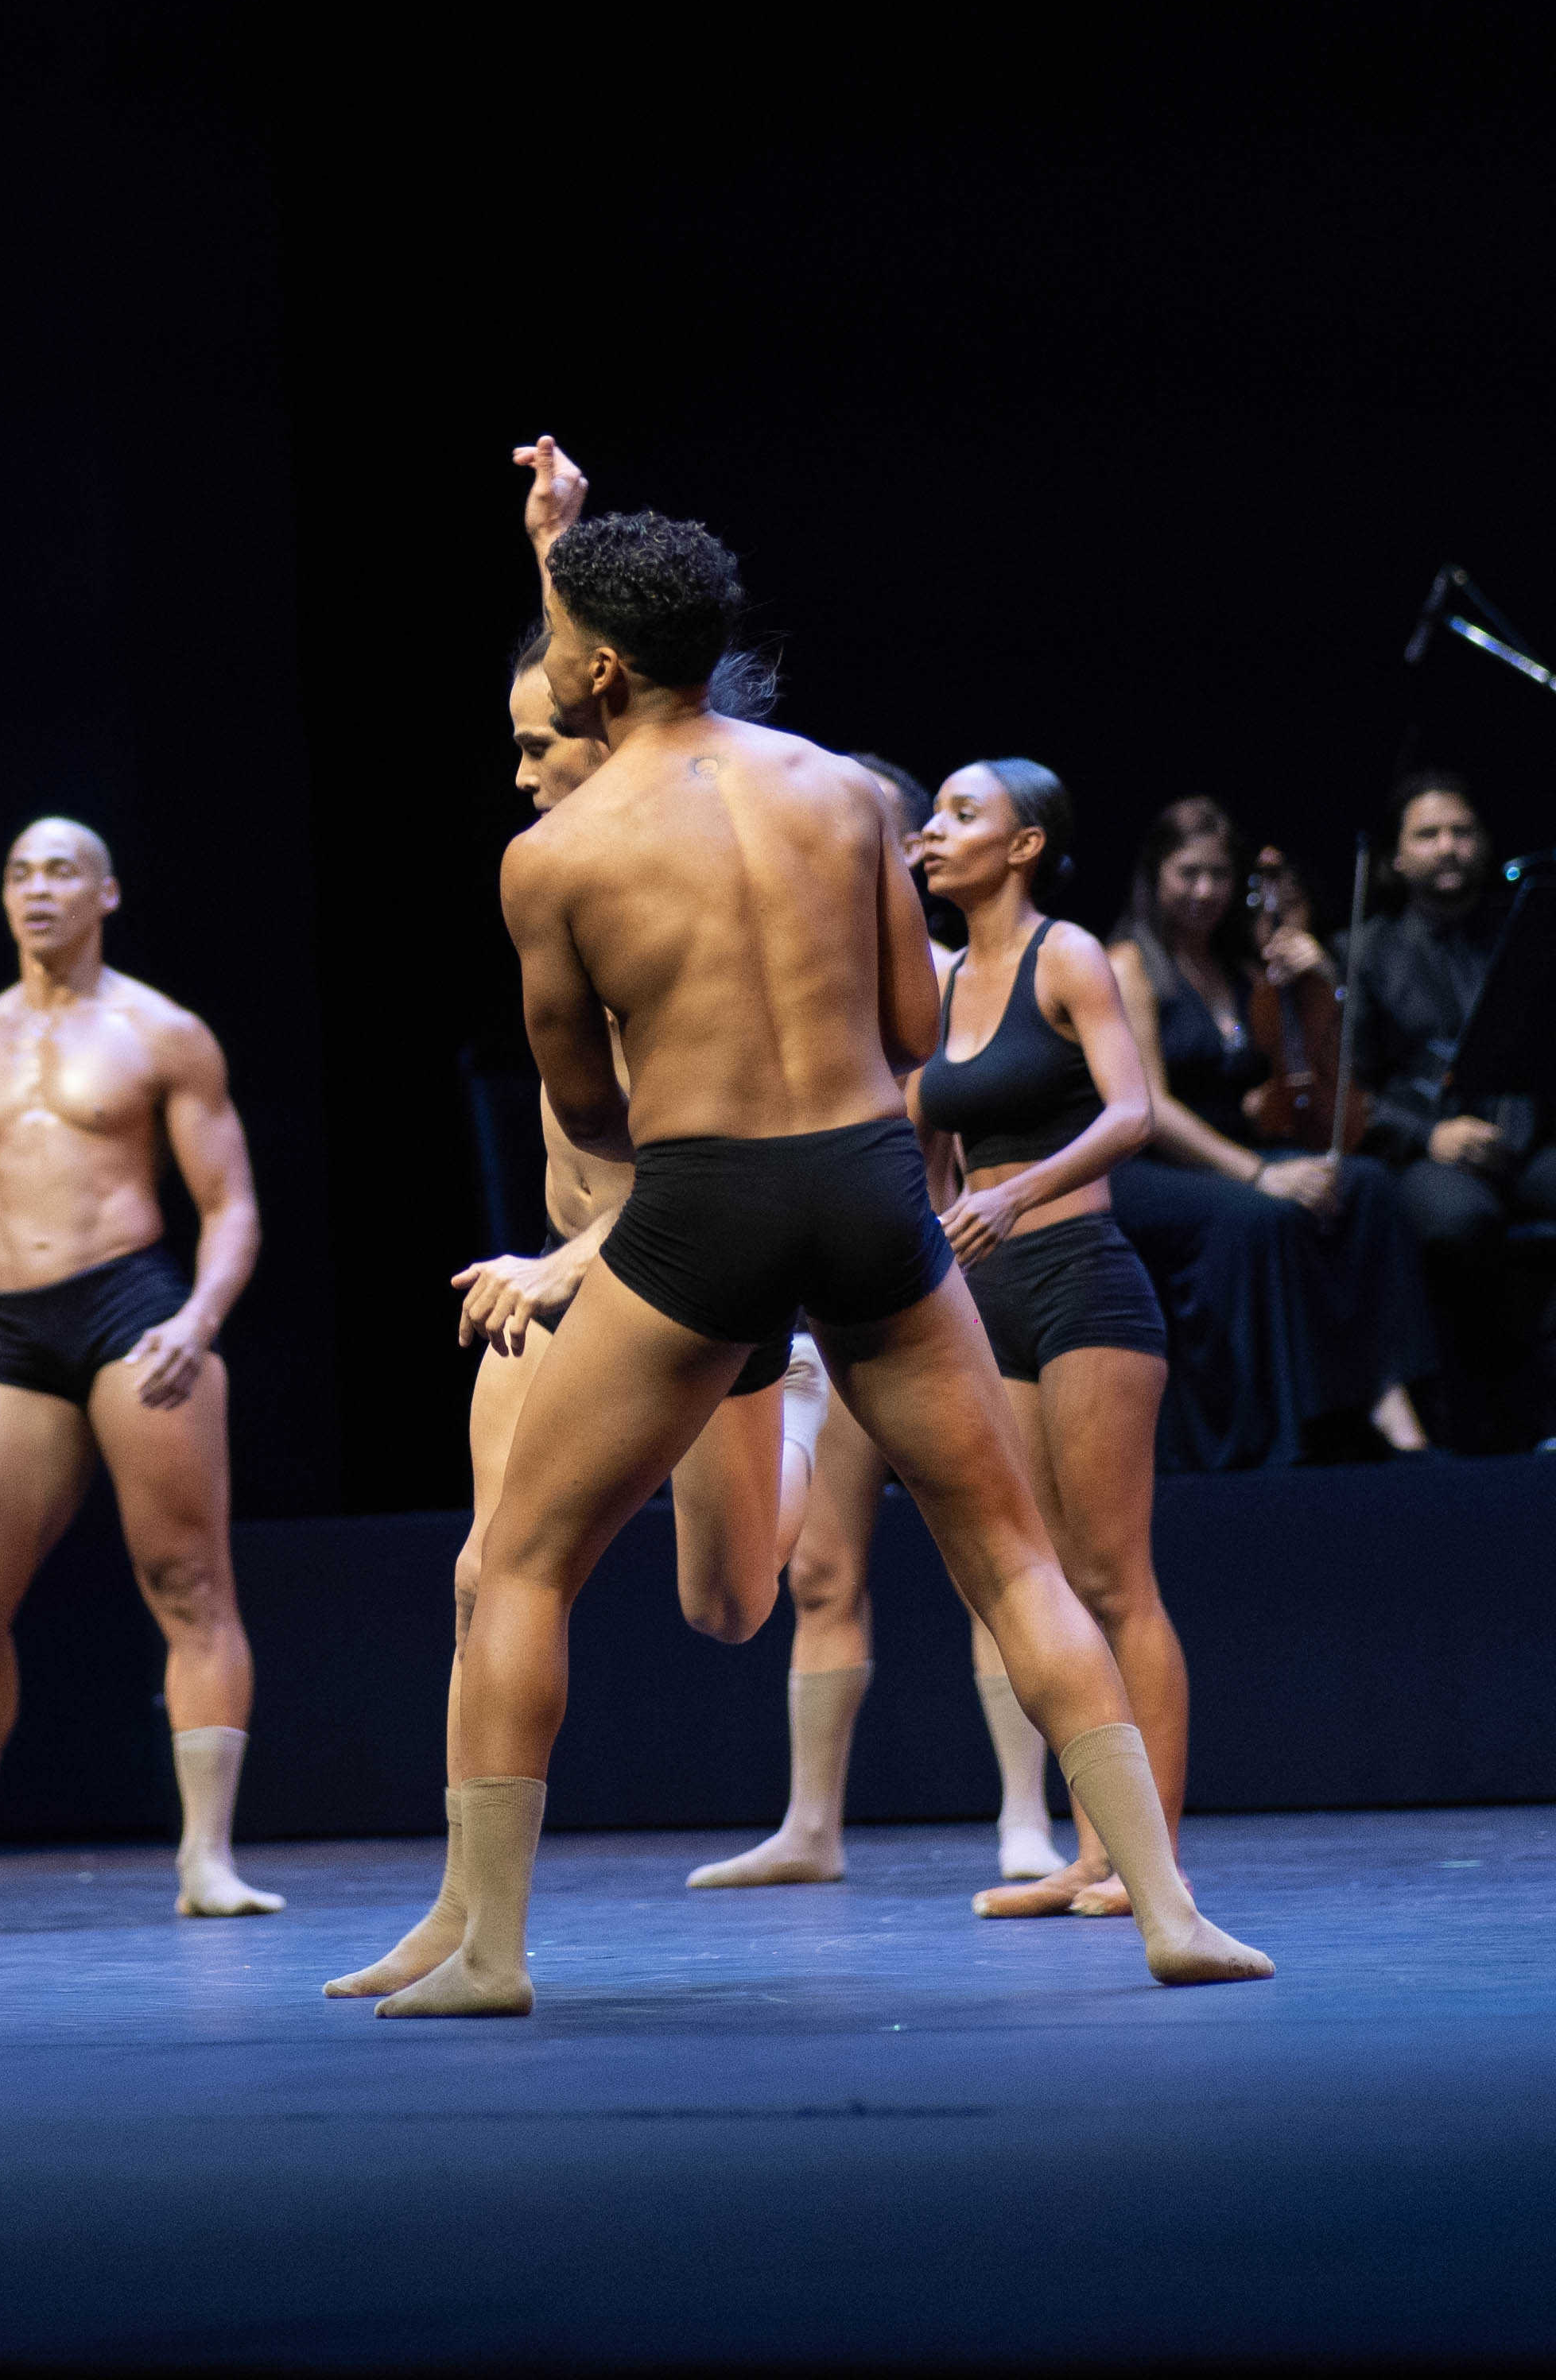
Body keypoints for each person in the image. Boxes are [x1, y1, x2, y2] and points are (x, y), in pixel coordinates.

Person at [336, 508, 1266, 2014]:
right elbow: (911, 1027)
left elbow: (581, 1102)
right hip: (868, 1190)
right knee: (1011, 1554)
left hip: (703, 1198)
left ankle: (492, 1955)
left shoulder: (554, 854)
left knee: (518, 1562)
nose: (548, 665)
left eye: (561, 644)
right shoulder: (840, 791)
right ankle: (1167, 1910)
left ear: (601, 668)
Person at [374, 446, 832, 1972]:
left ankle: (806, 1398)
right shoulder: (561, 851)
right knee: (489, 1566)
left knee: (729, 1605)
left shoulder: (706, 848)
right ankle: (465, 1913)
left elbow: (709, 1154)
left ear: (598, 702)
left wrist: (579, 1260)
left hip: (681, 1266)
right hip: (556, 1272)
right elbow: (586, 666)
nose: (519, 766)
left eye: (535, 739)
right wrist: (556, 549)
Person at [685, 748, 1067, 1898]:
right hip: (816, 1285)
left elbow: (984, 1133)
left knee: (997, 1557)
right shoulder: (783, 969)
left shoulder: (957, 974)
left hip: (927, 1291)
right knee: (817, 1565)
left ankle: (1024, 1818)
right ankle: (811, 1825)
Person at [0, 820, 277, 1921]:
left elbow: (232, 1204)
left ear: (106, 893)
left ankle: (206, 1858)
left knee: (189, 1585)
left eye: (61, 870)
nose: (37, 889)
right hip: (10, 1329)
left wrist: (200, 1318)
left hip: (135, 1310)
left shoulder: (164, 1032)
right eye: (18, 871)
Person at [899, 757, 1206, 1924]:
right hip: (990, 1299)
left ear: (1024, 844)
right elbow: (931, 1145)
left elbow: (1131, 1112)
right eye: (931, 814)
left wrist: (1015, 1198)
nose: (934, 831)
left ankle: (1153, 1860)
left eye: (963, 814)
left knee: (1113, 1577)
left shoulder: (1063, 954)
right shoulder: (932, 989)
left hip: (1083, 1278)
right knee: (1038, 1584)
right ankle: (1092, 1852)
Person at [1101, 797, 1436, 1465]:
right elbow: (1150, 1108)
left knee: (1365, 1185)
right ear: (1156, 874)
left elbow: (1296, 1070)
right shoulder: (1128, 964)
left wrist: (1318, 979)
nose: (1204, 892)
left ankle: (1383, 1395)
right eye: (1188, 873)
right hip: (1145, 1164)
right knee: (1264, 1217)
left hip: (1227, 1149)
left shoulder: (1240, 966)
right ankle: (1275, 1442)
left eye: (1219, 876)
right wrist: (1259, 1172)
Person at [1340, 773, 1556, 1444]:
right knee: (1462, 1222)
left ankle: (1554, 1352)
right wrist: (1430, 1136)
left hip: (1524, 1143)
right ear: (1398, 858)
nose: (1448, 847)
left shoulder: (1521, 929)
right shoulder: (1364, 949)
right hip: (1425, 1151)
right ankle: (1479, 1403)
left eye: (1461, 832)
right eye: (1428, 835)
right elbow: (1348, 1088)